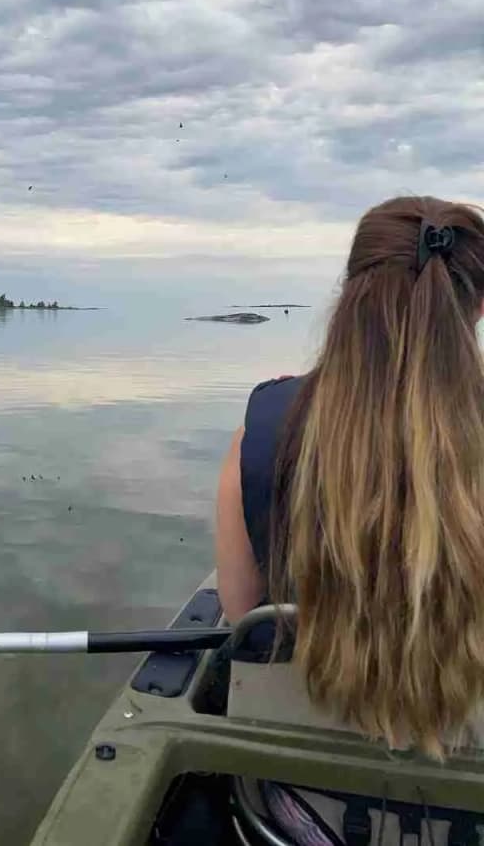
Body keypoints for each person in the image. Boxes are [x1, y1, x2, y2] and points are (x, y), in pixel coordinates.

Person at [215, 196, 484, 842]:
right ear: (476, 309)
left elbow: (241, 610)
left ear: (350, 293)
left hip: (301, 811)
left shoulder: (265, 425)